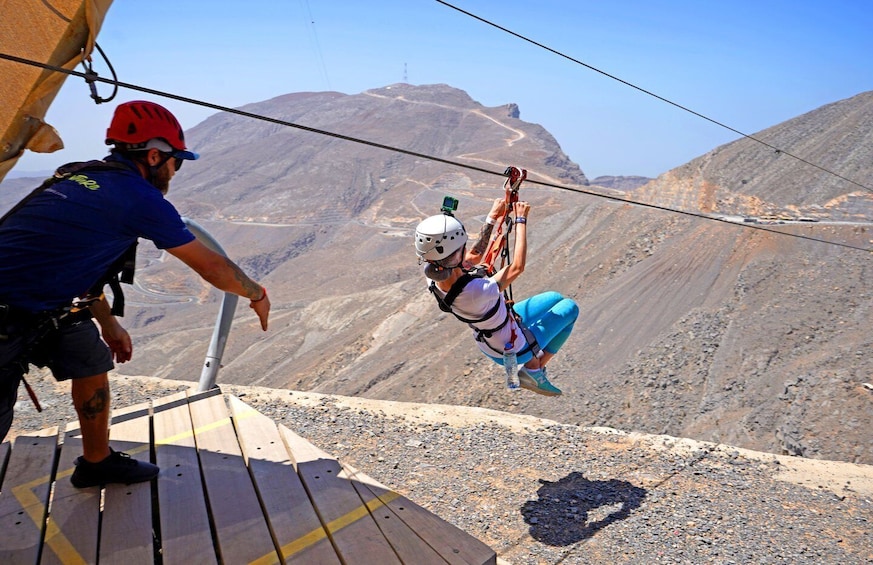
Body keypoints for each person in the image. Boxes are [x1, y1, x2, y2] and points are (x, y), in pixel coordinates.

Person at [0, 100, 271, 488]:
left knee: (89, 357)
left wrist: (109, 324)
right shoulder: (139, 198)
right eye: (176, 160)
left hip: (38, 306)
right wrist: (257, 293)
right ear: (155, 155)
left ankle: (98, 462)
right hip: (10, 315)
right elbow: (212, 267)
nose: (175, 171)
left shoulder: (80, 175)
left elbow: (72, 263)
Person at [414, 198, 578, 396]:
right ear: (456, 255)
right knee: (570, 308)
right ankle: (534, 370)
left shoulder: (433, 278)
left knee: (554, 297)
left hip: (491, 334)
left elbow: (474, 256)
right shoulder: (476, 291)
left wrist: (493, 216)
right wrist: (520, 221)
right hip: (511, 347)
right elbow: (517, 267)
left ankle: (532, 365)